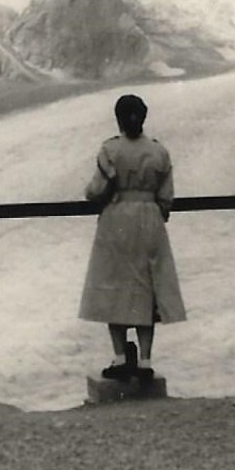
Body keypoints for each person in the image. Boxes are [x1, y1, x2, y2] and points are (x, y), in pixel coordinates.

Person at [79, 94, 186, 379]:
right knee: (146, 288)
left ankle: (118, 358)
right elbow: (166, 196)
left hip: (116, 218)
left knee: (115, 287)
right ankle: (145, 361)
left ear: (118, 118)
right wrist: (155, 211)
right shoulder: (158, 151)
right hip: (149, 217)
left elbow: (96, 190)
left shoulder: (110, 150)